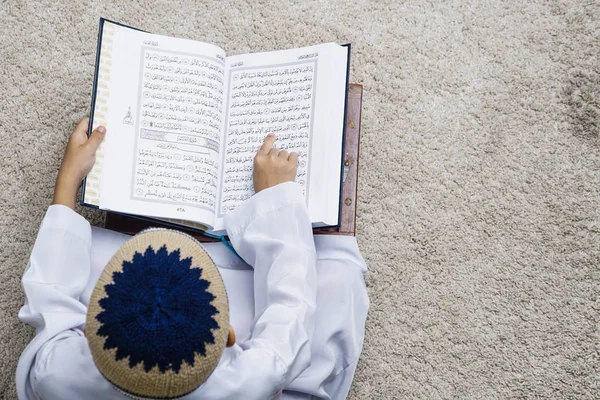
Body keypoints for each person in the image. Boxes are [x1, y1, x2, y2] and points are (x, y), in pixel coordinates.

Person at [16, 118, 369, 399]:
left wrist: (68, 180)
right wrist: (276, 200)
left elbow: (51, 293)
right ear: (229, 335)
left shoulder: (56, 373)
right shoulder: (253, 379)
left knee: (79, 248)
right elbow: (292, 306)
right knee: (337, 278)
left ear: (90, 323)